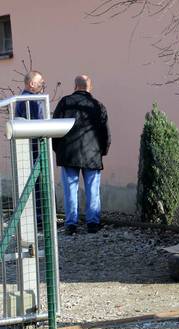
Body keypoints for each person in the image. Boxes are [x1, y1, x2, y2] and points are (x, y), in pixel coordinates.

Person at [52, 75, 110, 235]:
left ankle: (71, 224)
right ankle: (93, 224)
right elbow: (105, 133)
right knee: (93, 189)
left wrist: (58, 150)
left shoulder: (64, 102)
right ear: (89, 87)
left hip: (69, 153)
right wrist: (102, 151)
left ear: (75, 86)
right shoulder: (98, 105)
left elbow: (54, 127)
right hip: (92, 154)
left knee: (70, 189)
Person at [15, 70, 46, 228]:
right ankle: (40, 219)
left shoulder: (22, 99)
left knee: (33, 183)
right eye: (40, 81)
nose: (42, 84)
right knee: (39, 183)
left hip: (28, 147)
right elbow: (40, 123)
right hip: (35, 147)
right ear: (32, 83)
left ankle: (35, 219)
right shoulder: (31, 100)